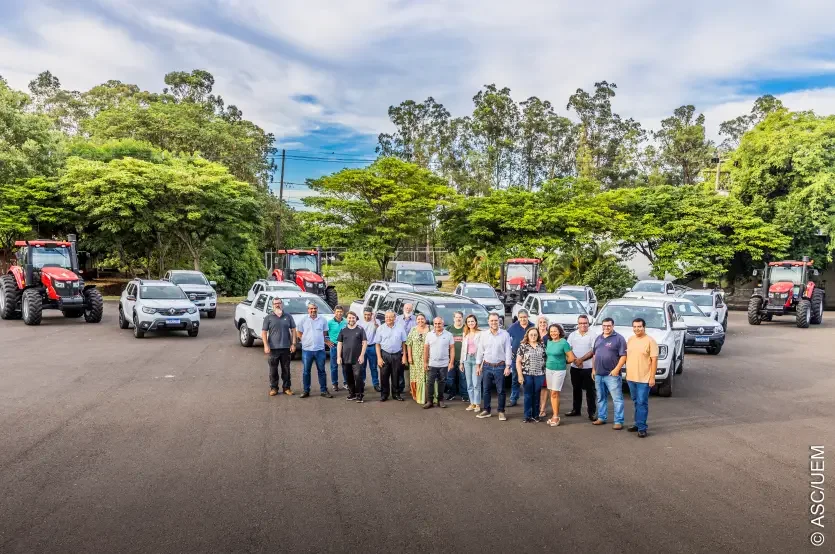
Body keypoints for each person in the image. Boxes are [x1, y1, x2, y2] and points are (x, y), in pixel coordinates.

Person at [475, 313, 513, 421]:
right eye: (491, 321)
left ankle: (501, 411)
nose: (494, 323)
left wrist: (508, 366)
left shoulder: (505, 334)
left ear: (499, 321)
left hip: (500, 366)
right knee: (486, 390)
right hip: (486, 366)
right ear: (488, 322)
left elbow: (508, 351)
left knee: (501, 390)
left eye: (496, 320)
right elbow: (480, 351)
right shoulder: (484, 335)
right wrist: (478, 366)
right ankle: (487, 410)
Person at [591, 317, 626, 430]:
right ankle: (601, 417)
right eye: (604, 325)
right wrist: (593, 369)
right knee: (601, 397)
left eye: (608, 326)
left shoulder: (619, 339)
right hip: (599, 374)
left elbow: (623, 356)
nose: (606, 327)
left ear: (613, 326)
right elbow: (594, 355)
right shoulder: (598, 338)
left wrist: (616, 369)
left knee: (617, 399)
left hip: (612, 375)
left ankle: (618, 421)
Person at [626, 318, 658, 438]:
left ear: (644, 327)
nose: (637, 329)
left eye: (639, 326)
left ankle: (642, 428)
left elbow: (654, 360)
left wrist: (652, 377)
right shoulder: (630, 340)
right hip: (631, 377)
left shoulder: (650, 341)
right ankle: (637, 423)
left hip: (644, 379)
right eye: (634, 326)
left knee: (642, 403)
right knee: (636, 402)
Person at [261, 297, 297, 397]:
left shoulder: (288, 316)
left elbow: (294, 330)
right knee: (273, 370)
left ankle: (287, 388)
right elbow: (264, 332)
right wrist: (265, 345)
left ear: (282, 304)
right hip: (273, 349)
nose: (277, 305)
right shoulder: (268, 317)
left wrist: (293, 343)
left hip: (286, 348)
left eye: (279, 303)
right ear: (272, 305)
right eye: (275, 303)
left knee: (286, 369)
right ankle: (274, 388)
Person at [297, 302, 333, 399]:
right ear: (308, 310)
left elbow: (324, 333)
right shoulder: (303, 320)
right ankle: (306, 390)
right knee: (306, 371)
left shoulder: (323, 320)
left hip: (319, 350)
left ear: (317, 309)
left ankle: (324, 390)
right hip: (307, 350)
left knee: (321, 371)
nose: (313, 310)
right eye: (311, 309)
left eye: (315, 308)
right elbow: (299, 332)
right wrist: (304, 341)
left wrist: (323, 341)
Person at [566, 314, 597, 421]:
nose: (583, 325)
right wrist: (576, 360)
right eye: (581, 323)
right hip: (575, 368)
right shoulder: (572, 335)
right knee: (576, 389)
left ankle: (591, 413)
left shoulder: (593, 335)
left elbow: (593, 350)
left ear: (588, 323)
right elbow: (568, 349)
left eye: (585, 323)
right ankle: (576, 410)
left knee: (590, 391)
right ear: (577, 324)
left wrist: (581, 360)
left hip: (588, 368)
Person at [544, 324, 575, 427]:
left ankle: (556, 417)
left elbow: (571, 358)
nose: (553, 333)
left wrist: (563, 362)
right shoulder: (549, 342)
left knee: (554, 393)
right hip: (549, 370)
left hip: (559, 371)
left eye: (555, 331)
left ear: (559, 332)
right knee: (552, 392)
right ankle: (554, 415)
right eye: (551, 331)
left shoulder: (564, 343)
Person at [423, 317, 455, 409]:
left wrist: (451, 362)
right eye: (435, 324)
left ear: (442, 324)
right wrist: (425, 362)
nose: (437, 325)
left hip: (444, 364)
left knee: (442, 382)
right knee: (430, 382)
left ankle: (440, 400)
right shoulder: (429, 335)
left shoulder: (449, 335)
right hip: (432, 363)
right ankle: (430, 401)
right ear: (434, 324)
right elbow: (426, 349)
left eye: (439, 323)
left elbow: (452, 349)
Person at [516, 327, 546, 423]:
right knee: (528, 395)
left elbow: (546, 360)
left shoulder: (542, 346)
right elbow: (518, 362)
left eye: (535, 335)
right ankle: (527, 416)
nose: (533, 336)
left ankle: (536, 415)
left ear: (538, 336)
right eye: (531, 334)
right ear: (527, 336)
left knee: (537, 395)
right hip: (527, 374)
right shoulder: (523, 346)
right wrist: (520, 375)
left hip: (540, 374)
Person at [375, 311, 407, 402]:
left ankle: (396, 394)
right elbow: (377, 344)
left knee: (396, 375)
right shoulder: (380, 328)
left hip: (397, 354)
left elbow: (404, 342)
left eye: (391, 317)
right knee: (384, 375)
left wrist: (404, 355)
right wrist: (379, 358)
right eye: (387, 317)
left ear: (395, 318)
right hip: (384, 354)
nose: (388, 319)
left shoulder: (400, 328)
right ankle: (384, 394)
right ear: (384, 318)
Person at [337, 311, 368, 402]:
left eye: (353, 318)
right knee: (348, 377)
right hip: (346, 358)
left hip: (357, 358)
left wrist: (362, 355)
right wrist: (338, 356)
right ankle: (352, 393)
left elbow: (364, 342)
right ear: (347, 319)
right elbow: (339, 343)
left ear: (356, 319)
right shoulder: (343, 330)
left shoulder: (360, 329)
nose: (351, 319)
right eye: (349, 318)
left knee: (358, 376)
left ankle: (359, 395)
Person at [506, 309, 534, 407]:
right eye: (521, 317)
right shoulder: (513, 327)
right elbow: (507, 340)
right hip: (515, 358)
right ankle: (513, 398)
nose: (523, 319)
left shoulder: (533, 326)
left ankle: (529, 399)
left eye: (524, 317)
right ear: (518, 318)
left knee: (529, 380)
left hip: (530, 358)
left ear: (528, 317)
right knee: (515, 379)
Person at [406, 313, 431, 404]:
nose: (420, 321)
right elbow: (409, 344)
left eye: (422, 319)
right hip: (415, 359)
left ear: (425, 319)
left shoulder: (431, 329)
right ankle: (418, 396)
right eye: (418, 319)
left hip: (428, 357)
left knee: (428, 376)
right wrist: (409, 356)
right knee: (417, 376)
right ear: (416, 321)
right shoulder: (413, 329)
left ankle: (429, 396)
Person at [461, 314, 482, 412]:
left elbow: (483, 349)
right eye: (468, 322)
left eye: (472, 321)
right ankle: (472, 403)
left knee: (476, 383)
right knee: (469, 383)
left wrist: (480, 364)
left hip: (476, 360)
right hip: (467, 360)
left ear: (476, 322)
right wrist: (461, 362)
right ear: (466, 323)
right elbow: (463, 349)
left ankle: (477, 404)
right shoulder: (465, 333)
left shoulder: (481, 333)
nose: (470, 323)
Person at [445, 311, 467, 402]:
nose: (458, 319)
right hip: (451, 359)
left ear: (462, 318)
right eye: (456, 317)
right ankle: (451, 394)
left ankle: (464, 395)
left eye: (460, 317)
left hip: (463, 359)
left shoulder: (466, 328)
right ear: (453, 318)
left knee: (463, 378)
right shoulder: (449, 329)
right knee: (450, 378)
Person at [396, 303, 417, 394]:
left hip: (414, 348)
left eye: (410, 308)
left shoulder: (416, 319)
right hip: (401, 348)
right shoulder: (398, 319)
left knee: (413, 368)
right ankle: (401, 387)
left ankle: (412, 388)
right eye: (406, 308)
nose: (408, 309)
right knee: (400, 368)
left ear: (412, 309)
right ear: (403, 308)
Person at [327, 305, 348, 392]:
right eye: (337, 312)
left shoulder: (346, 322)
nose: (339, 313)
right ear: (334, 312)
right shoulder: (330, 322)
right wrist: (327, 341)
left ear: (343, 312)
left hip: (345, 347)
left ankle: (346, 383)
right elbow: (323, 333)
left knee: (345, 366)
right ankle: (335, 384)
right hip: (334, 347)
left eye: (340, 312)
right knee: (334, 367)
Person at [361, 307, 381, 392]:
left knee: (373, 367)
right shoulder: (359, 323)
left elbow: (379, 332)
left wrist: (375, 323)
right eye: (365, 314)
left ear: (372, 314)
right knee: (362, 367)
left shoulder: (376, 322)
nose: (367, 316)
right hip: (362, 348)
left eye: (369, 315)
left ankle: (376, 384)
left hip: (372, 347)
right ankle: (362, 383)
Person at [536, 315, 550, 419]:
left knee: (544, 388)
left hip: (546, 365)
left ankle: (542, 409)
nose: (542, 324)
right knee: (536, 387)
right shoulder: (533, 334)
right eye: (540, 322)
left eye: (544, 322)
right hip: (534, 365)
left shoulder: (549, 336)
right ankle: (536, 407)